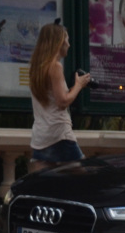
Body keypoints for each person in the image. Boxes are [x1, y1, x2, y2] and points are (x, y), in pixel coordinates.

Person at [29, 23, 92, 171]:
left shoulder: (36, 68)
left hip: (41, 136)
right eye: (67, 40)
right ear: (58, 42)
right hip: (59, 134)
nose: (69, 45)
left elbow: (51, 97)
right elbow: (62, 102)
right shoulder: (55, 66)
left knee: (44, 184)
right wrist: (79, 85)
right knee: (83, 178)